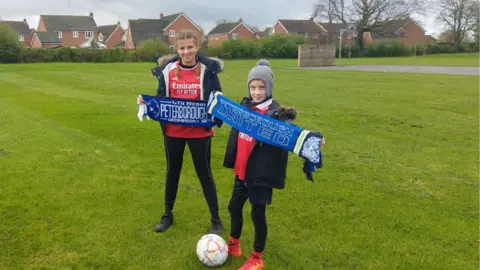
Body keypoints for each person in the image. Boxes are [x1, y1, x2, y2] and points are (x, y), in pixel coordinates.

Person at [222, 60, 325, 270]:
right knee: (234, 206)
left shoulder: (277, 116)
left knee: (257, 214)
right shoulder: (244, 108)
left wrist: (313, 141)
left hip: (260, 174)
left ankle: (257, 258)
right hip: (241, 171)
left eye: (261, 87)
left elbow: (292, 133)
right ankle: (234, 244)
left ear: (268, 88)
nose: (257, 92)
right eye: (253, 87)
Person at [139, 29, 224, 234]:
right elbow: (161, 96)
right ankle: (167, 215)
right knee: (172, 172)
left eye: (190, 47)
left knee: (204, 174)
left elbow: (218, 97)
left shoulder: (208, 69)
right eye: (182, 48)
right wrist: (146, 102)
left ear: (197, 47)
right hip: (173, 131)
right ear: (177, 49)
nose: (186, 52)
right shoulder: (168, 70)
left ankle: (216, 219)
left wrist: (217, 113)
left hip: (200, 133)